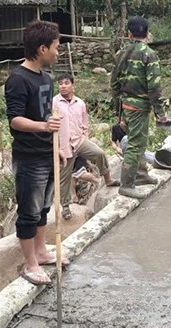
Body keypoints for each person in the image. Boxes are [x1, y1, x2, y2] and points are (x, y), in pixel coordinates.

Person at [4, 20, 69, 286]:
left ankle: (42, 253)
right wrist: (43, 127)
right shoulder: (18, 80)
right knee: (29, 211)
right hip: (29, 156)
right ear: (42, 48)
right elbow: (15, 120)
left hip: (47, 151)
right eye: (55, 47)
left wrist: (58, 147)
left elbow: (47, 116)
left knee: (43, 207)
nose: (58, 52)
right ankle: (29, 264)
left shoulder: (47, 78)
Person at [109, 16, 168, 198]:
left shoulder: (121, 53)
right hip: (140, 107)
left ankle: (141, 174)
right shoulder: (149, 54)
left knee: (139, 140)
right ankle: (126, 184)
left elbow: (114, 83)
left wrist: (119, 110)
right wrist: (160, 113)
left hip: (126, 104)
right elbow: (154, 87)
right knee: (135, 144)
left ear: (129, 34)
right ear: (147, 33)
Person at [55, 72, 120, 220]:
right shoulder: (54, 103)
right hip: (64, 145)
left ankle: (108, 179)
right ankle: (65, 206)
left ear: (73, 86)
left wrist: (84, 136)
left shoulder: (80, 103)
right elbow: (50, 125)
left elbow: (84, 123)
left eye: (66, 83)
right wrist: (56, 146)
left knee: (100, 153)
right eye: (60, 84)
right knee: (64, 176)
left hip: (79, 141)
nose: (63, 86)